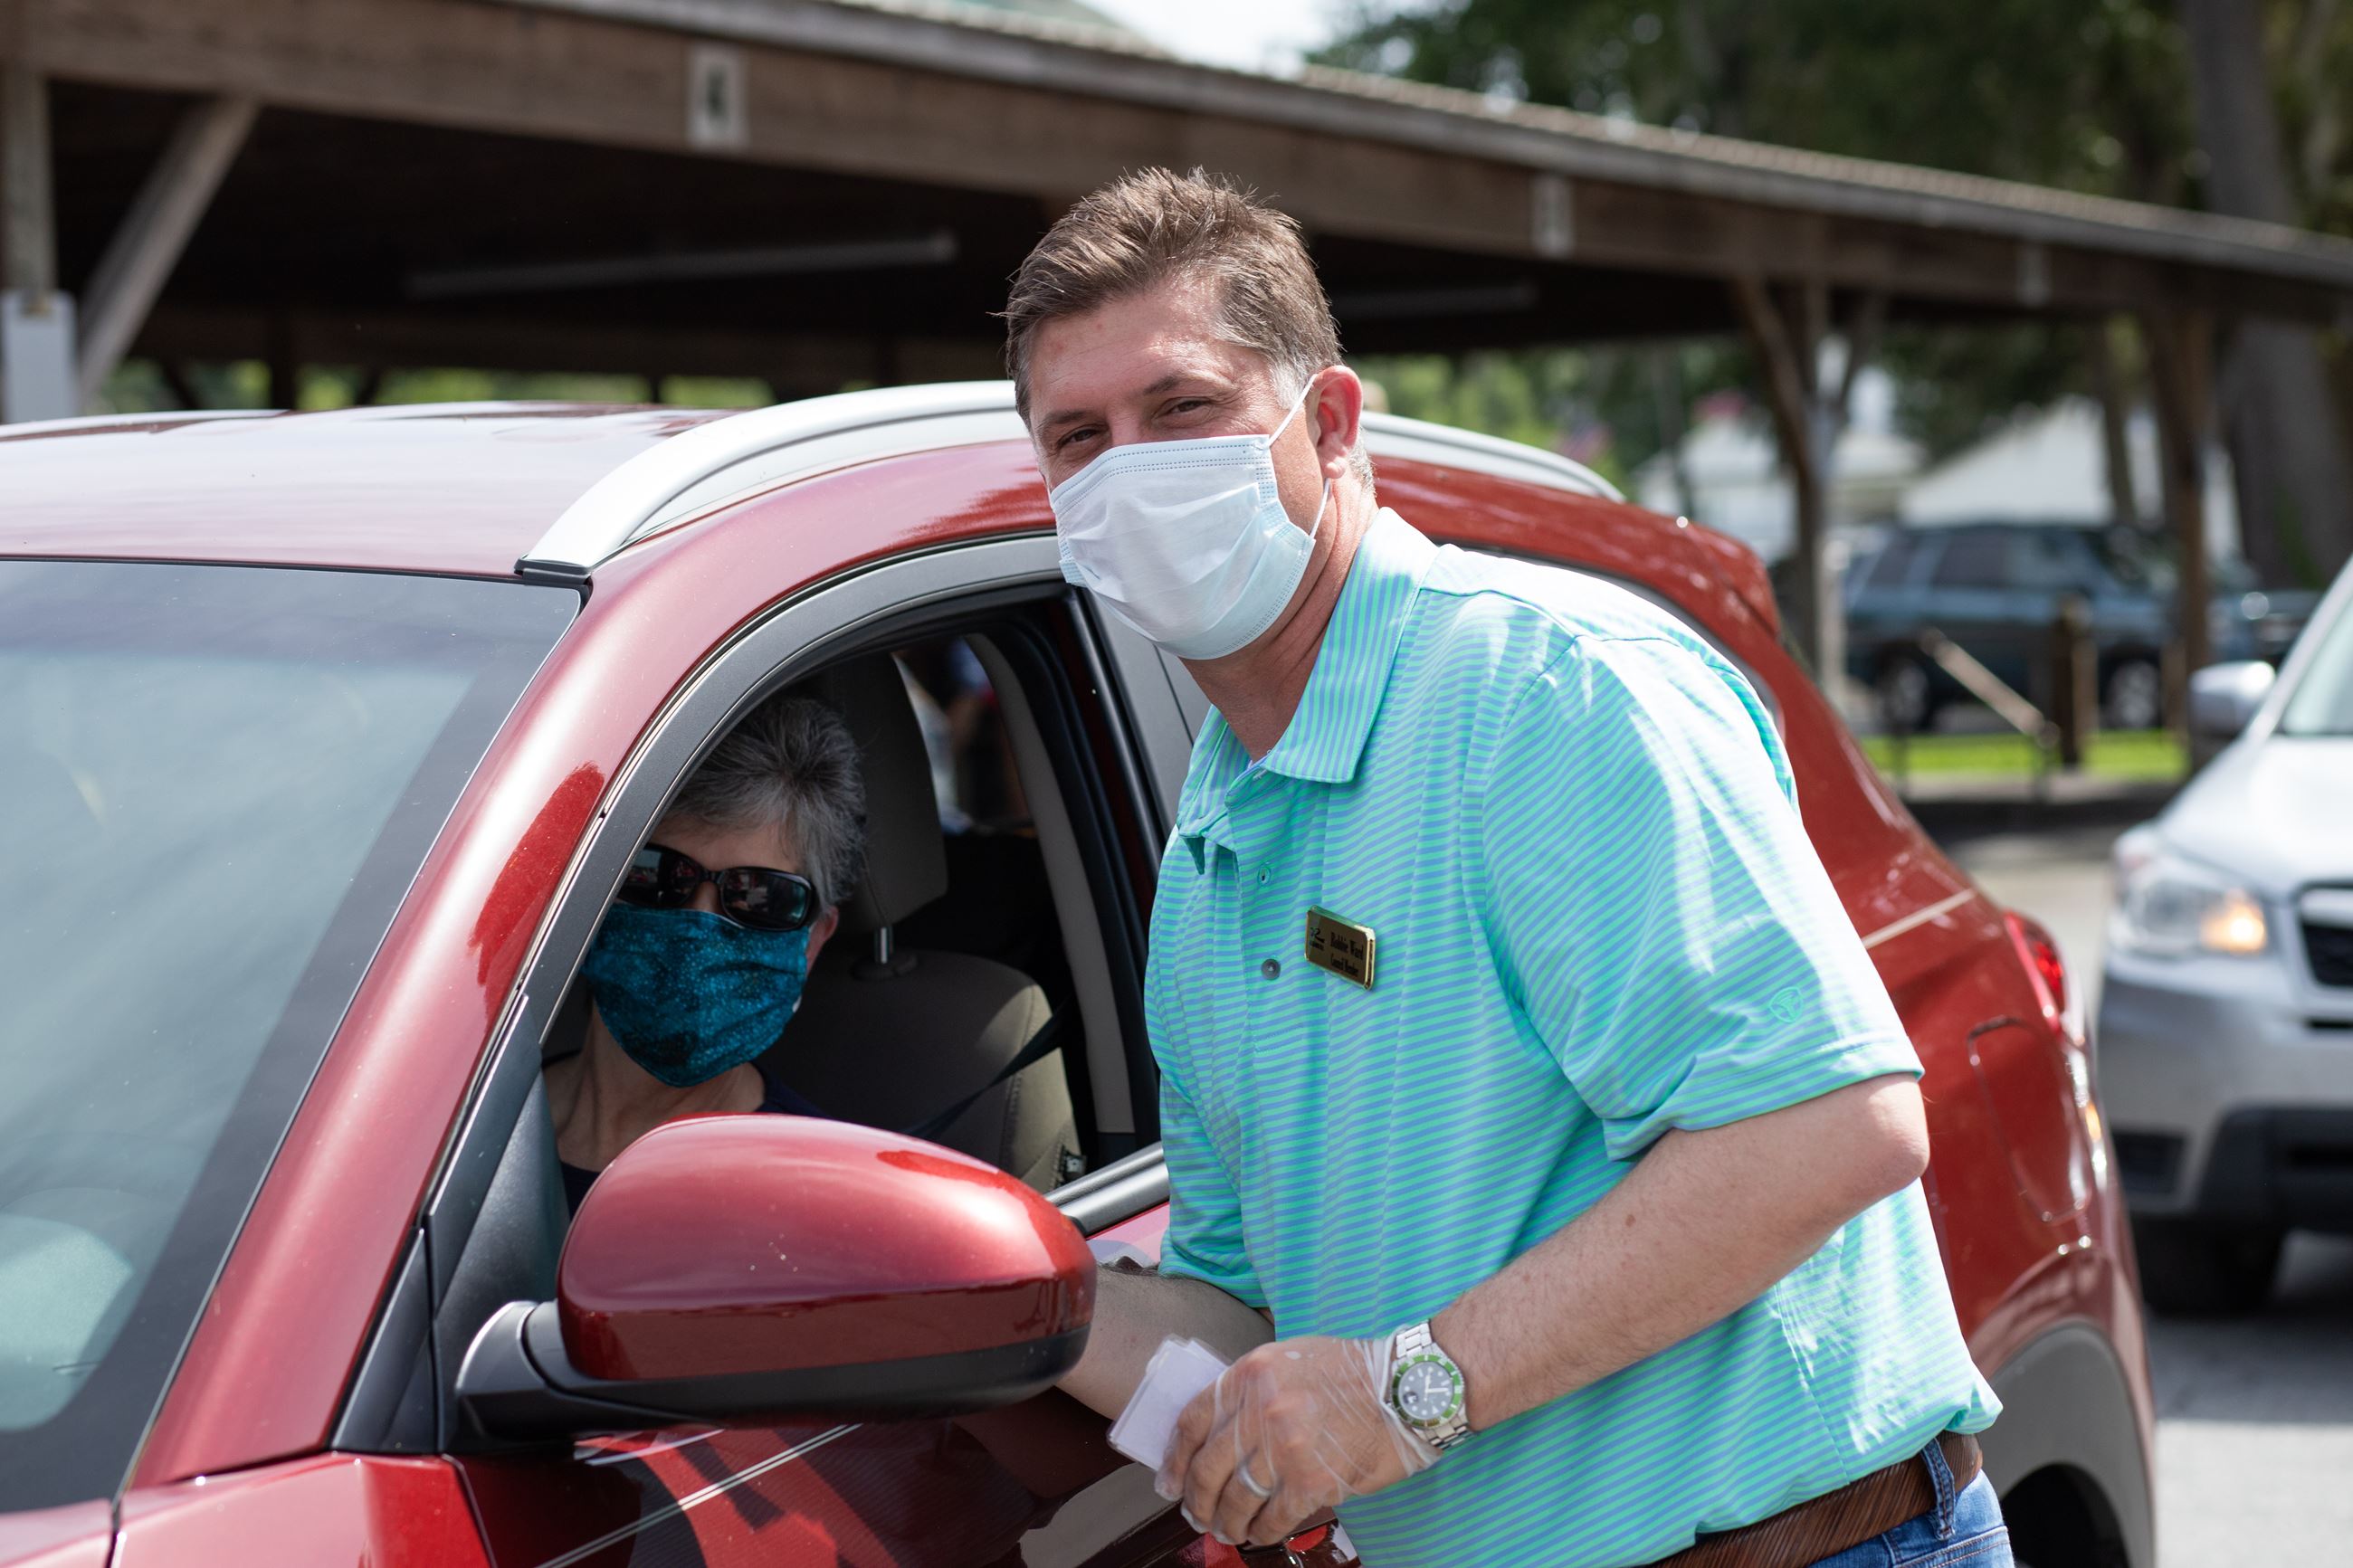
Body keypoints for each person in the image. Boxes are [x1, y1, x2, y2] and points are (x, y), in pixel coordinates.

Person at [1007, 168, 2009, 1568]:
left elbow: (1831, 1127)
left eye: (1181, 411)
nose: (1131, 470)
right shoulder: (1217, 839)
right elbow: (1239, 1324)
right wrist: (970, 1289)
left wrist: (1401, 1395)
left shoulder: (1543, 693)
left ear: (1333, 423)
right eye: (1080, 440)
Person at [543, 691, 865, 1213]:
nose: (699, 925)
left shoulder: (825, 1201)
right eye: (658, 873)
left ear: (813, 940)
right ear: (591, 892)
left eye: (759, 895)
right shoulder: (454, 1135)